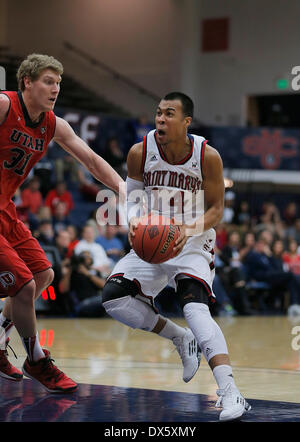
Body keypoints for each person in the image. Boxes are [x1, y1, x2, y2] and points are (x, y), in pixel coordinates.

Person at [101, 92, 251, 421]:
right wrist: (134, 222)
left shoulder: (207, 155)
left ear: (186, 122)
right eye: (158, 113)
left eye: (169, 114)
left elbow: (216, 210)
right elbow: (134, 196)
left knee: (195, 308)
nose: (161, 119)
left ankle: (230, 392)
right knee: (114, 298)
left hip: (193, 241)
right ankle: (179, 338)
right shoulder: (140, 152)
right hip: (153, 237)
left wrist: (187, 228)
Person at [0, 53, 124, 393]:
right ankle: (36, 360)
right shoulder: (3, 105)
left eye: (59, 83)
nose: (56, 89)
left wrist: (122, 187)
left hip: (4, 208)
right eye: (48, 81)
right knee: (24, 287)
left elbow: (92, 160)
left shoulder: (53, 124)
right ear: (27, 81)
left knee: (43, 275)